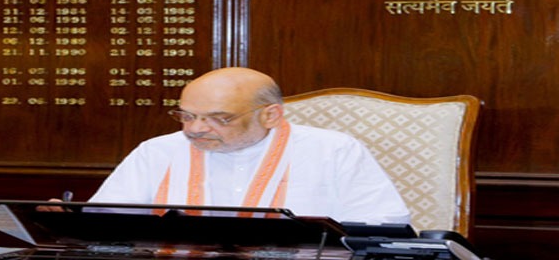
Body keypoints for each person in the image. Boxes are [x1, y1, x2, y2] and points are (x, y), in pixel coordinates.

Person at [83, 67, 410, 224]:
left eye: (218, 118)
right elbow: (105, 223)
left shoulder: (333, 151)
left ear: (270, 115)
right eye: (187, 115)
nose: (195, 129)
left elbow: (381, 227)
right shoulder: (157, 152)